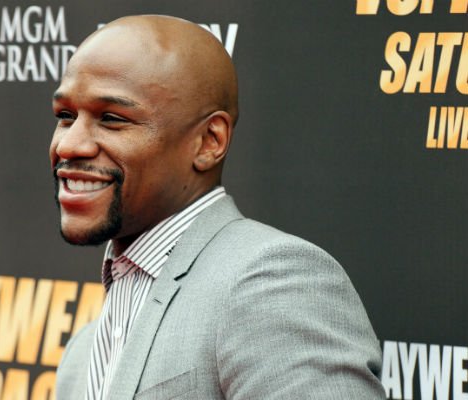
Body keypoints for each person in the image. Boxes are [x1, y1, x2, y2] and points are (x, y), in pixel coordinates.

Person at [50, 15, 385, 400]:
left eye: (112, 119)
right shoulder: (81, 356)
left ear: (209, 141)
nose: (69, 145)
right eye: (65, 117)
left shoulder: (270, 284)